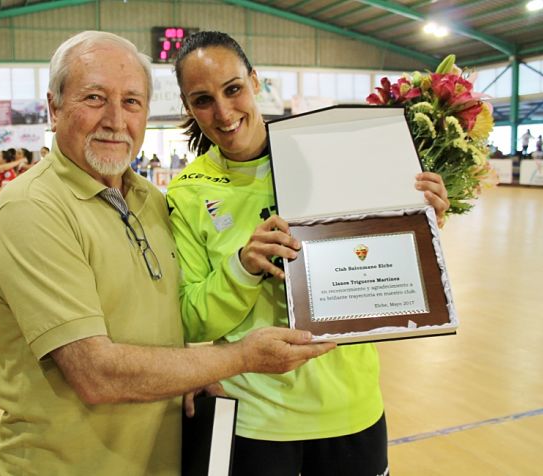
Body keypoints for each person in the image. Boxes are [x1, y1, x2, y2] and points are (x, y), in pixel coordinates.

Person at [0, 31, 335, 476]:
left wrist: (193, 371)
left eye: (132, 101)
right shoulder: (32, 208)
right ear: (53, 107)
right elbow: (96, 373)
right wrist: (239, 357)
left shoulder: (148, 198)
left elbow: (161, 314)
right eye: (94, 98)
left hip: (157, 459)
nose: (114, 119)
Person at [166, 31, 451, 476]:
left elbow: (379, 263)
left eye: (233, 89)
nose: (222, 112)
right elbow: (189, 317)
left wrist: (419, 222)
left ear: (255, 82)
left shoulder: (328, 150)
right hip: (254, 420)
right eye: (202, 99)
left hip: (351, 409)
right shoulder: (186, 193)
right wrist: (242, 268)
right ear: (187, 106)